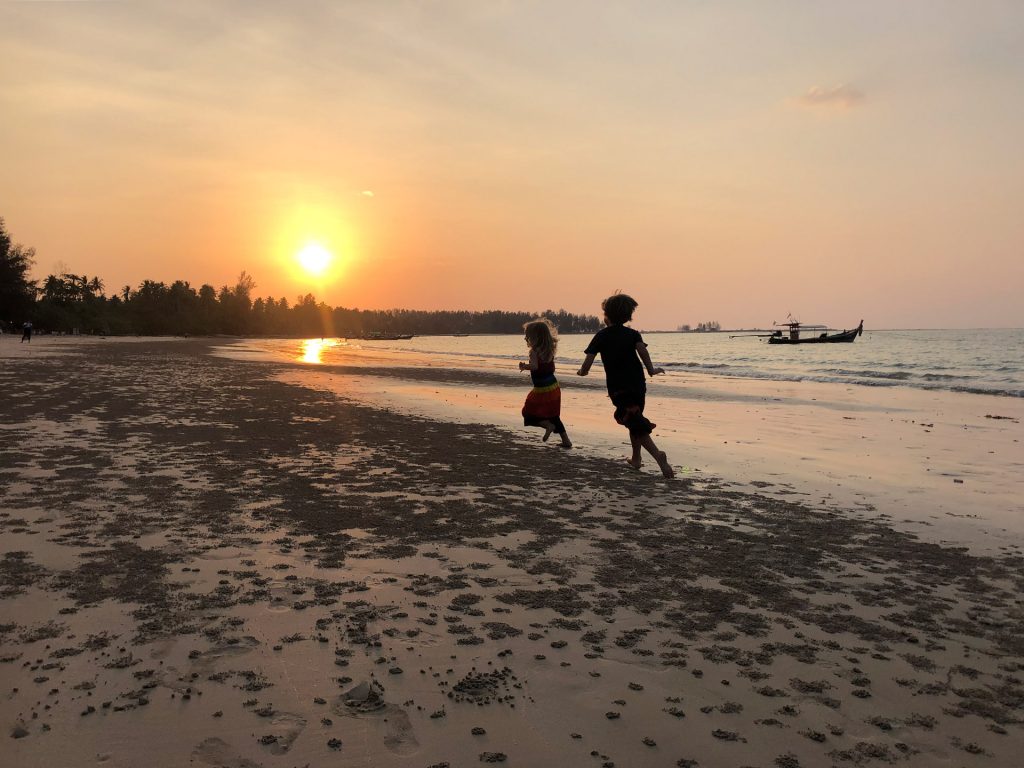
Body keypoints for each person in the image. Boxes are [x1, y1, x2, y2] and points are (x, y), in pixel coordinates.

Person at [577, 292, 674, 477]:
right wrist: (651, 370)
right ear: (627, 316)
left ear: (607, 315)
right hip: (638, 384)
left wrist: (583, 372)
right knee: (634, 418)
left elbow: (588, 361)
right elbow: (643, 352)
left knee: (631, 418)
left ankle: (657, 455)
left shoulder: (602, 336)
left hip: (618, 386)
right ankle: (636, 459)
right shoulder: (632, 334)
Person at [519, 318, 572, 448]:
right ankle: (566, 441)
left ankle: (547, 425)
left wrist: (524, 366)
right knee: (553, 414)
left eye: (528, 336)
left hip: (541, 388)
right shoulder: (549, 349)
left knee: (528, 412)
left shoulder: (534, 351)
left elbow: (535, 366)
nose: (526, 339)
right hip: (553, 386)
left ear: (534, 337)